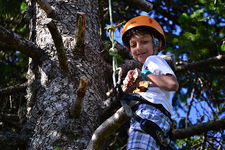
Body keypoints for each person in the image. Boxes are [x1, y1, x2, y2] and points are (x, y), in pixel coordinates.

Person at [121, 16, 179, 149]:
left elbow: (172, 84)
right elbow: (142, 96)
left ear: (156, 44)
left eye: (144, 41)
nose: (139, 47)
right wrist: (131, 86)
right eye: (133, 45)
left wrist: (145, 74)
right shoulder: (147, 72)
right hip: (152, 117)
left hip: (149, 114)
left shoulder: (152, 61)